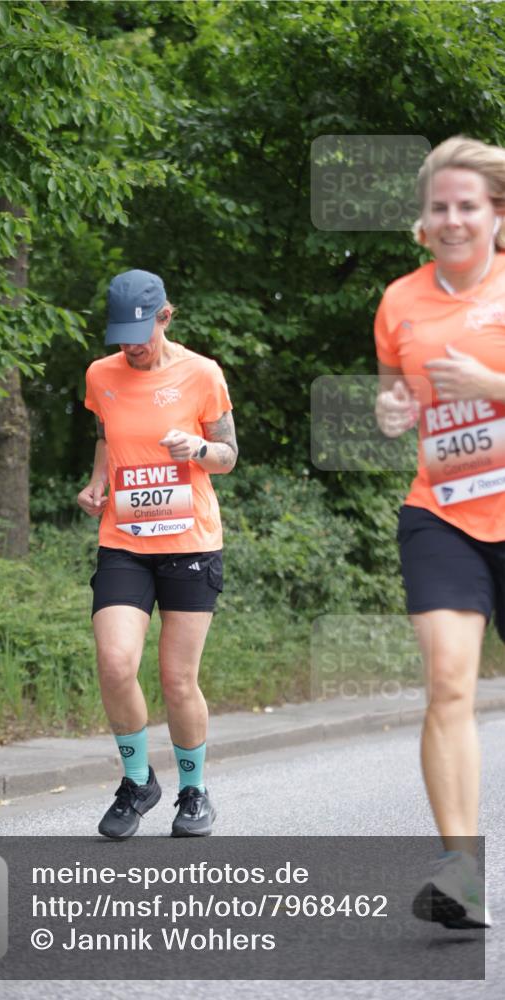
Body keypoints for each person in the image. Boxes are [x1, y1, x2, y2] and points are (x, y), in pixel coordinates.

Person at [374, 136, 505, 929]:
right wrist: (393, 412)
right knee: (449, 681)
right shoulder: (397, 301)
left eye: (467, 205)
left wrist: (492, 383)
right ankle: (460, 872)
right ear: (421, 223)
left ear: (496, 215)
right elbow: (398, 400)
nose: (451, 219)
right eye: (438, 208)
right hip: (442, 512)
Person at [77, 269, 238, 839]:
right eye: (121, 337)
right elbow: (105, 435)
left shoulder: (202, 374)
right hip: (124, 540)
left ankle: (193, 791)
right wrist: (98, 483)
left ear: (165, 317)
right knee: (116, 663)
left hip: (190, 543)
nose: (130, 347)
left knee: (177, 679)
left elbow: (228, 455)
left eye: (139, 334)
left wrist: (197, 447)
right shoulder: (102, 375)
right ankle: (137, 782)